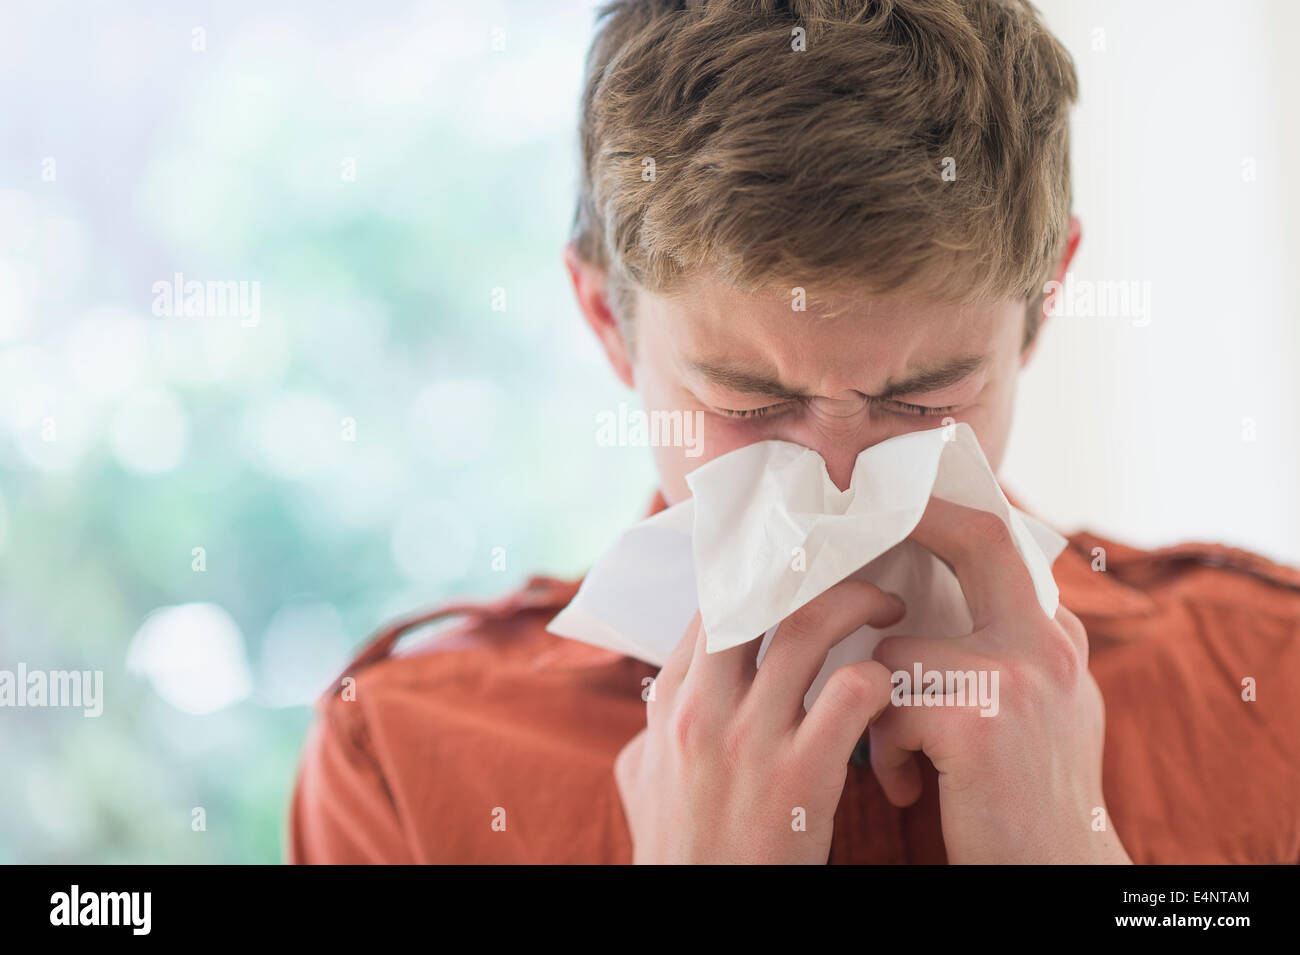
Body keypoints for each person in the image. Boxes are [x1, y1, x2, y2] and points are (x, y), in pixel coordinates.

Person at [287, 0, 1300, 864]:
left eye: (925, 396)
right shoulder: (411, 763)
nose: (841, 474)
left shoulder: (1269, 686)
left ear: (1044, 300)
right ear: (607, 319)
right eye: (747, 400)